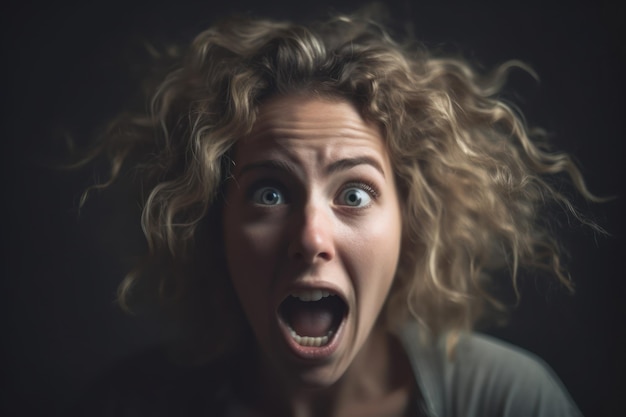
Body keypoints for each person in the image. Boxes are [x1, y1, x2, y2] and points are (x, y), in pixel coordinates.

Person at [73, 8, 602, 417]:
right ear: (214, 224)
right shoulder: (131, 405)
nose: (310, 237)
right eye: (270, 194)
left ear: (410, 221)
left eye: (353, 194)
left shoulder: (509, 401)